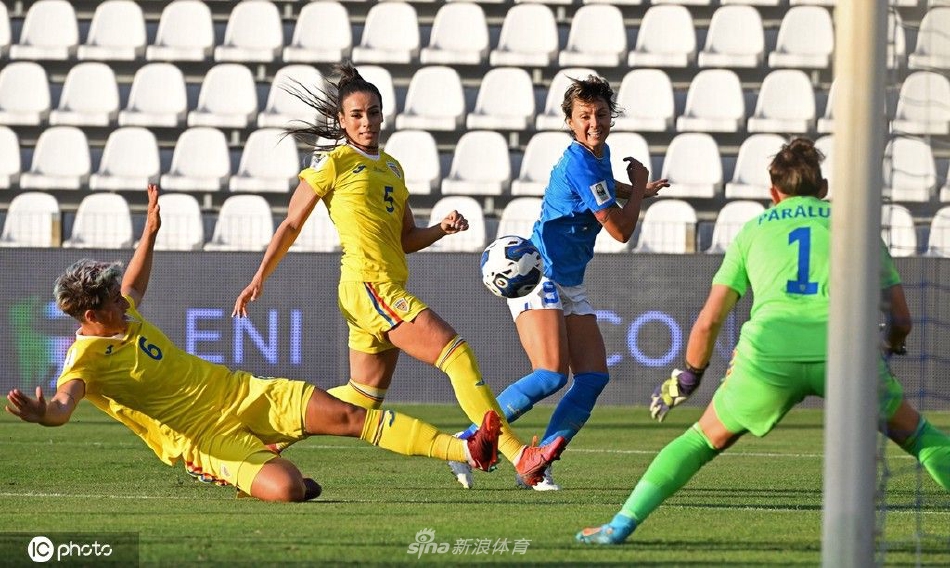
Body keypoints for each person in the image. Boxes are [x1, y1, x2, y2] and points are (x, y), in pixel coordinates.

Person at [4, 184, 504, 503]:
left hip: (240, 390)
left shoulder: (121, 312)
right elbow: (65, 407)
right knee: (289, 490)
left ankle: (458, 450)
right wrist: (42, 412)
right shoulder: (85, 361)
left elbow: (134, 283)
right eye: (112, 300)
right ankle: (251, 473)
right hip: (204, 439)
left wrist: (150, 231)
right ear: (91, 316)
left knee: (348, 416)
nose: (124, 300)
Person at [576, 138, 950, 544]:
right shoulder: (856, 227)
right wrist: (888, 344)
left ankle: (620, 526)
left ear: (773, 194)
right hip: (844, 354)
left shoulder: (753, 232)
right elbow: (902, 318)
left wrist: (688, 378)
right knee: (920, 437)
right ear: (823, 189)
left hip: (770, 355)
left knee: (699, 440)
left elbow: (709, 321)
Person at [231, 62, 565, 487]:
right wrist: (261, 275)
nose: (366, 121)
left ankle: (257, 441)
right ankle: (521, 456)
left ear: (382, 115)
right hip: (369, 286)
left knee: (360, 398)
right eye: (356, 114)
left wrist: (440, 230)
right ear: (341, 120)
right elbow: (292, 223)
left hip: (382, 288)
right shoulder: (334, 163)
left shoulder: (392, 167)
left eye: (373, 112)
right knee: (456, 354)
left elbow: (406, 237)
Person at [447, 74, 669, 491]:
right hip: (539, 274)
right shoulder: (579, 160)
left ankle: (536, 464)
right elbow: (621, 231)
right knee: (550, 374)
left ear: (610, 118)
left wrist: (637, 189)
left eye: (601, 114)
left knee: (592, 377)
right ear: (569, 121)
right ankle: (466, 441)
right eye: (584, 116)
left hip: (570, 281)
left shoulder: (596, 155)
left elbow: (600, 187)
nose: (594, 123)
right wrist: (639, 188)